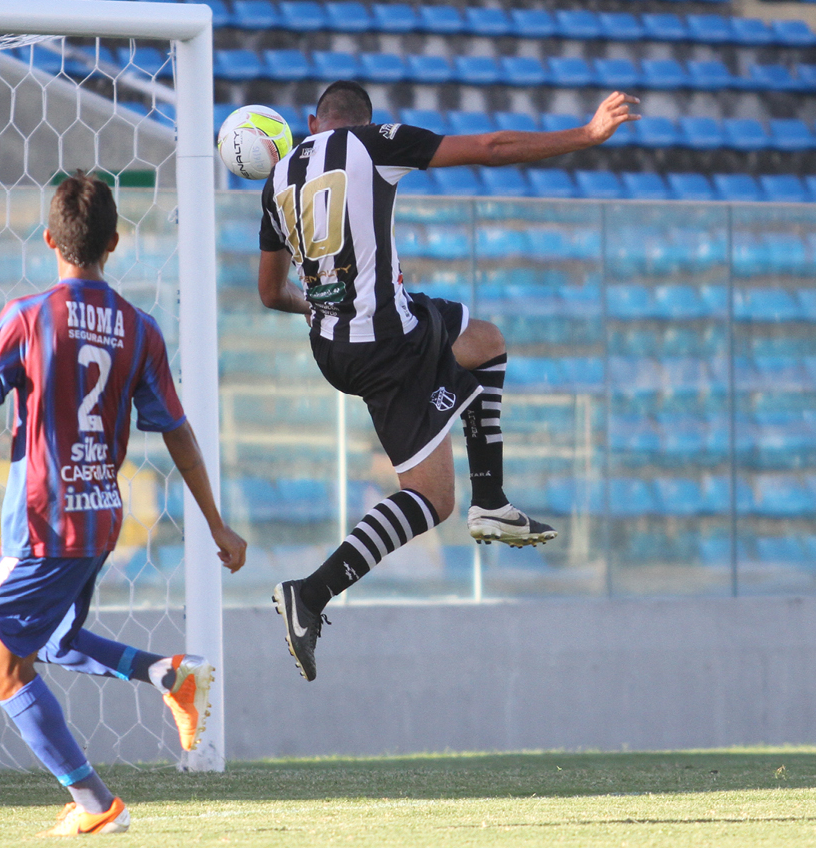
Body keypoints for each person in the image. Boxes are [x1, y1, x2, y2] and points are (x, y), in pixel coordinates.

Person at [0, 173, 246, 837]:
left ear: (48, 240)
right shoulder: (138, 328)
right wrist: (215, 522)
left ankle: (96, 804)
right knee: (55, 637)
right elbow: (177, 431)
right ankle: (168, 675)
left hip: (45, 519)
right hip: (100, 518)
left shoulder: (27, 316)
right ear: (114, 243)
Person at [260, 81, 639, 681]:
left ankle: (491, 503)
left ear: (312, 122)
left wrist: (321, 302)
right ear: (363, 121)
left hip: (336, 346)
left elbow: (268, 293)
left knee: (484, 339)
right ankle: (311, 593)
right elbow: (489, 145)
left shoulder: (277, 179)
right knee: (432, 498)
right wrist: (586, 135)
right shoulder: (374, 143)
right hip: (387, 345)